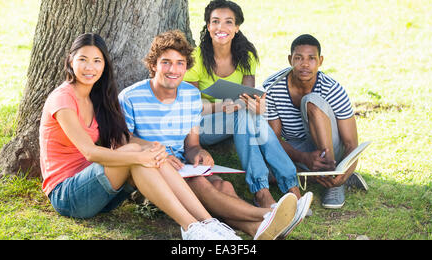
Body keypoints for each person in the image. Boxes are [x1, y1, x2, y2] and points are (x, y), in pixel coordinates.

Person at [39, 33, 241, 240]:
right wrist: (139, 155)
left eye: (97, 61)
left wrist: (154, 147)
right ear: (70, 60)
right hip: (68, 195)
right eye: (83, 59)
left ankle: (209, 224)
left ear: (104, 65)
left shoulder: (98, 96)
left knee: (145, 151)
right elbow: (90, 153)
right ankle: (191, 228)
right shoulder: (62, 98)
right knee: (136, 155)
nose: (90, 67)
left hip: (102, 191)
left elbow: (123, 137)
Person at [118, 30, 306, 240]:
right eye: (166, 62)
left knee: (223, 185)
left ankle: (257, 230)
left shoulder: (189, 95)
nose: (174, 69)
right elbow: (123, 141)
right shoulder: (130, 97)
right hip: (151, 171)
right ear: (153, 64)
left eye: (180, 63)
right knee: (202, 186)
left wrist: (199, 153)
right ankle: (269, 214)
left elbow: (192, 145)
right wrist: (158, 154)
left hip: (182, 166)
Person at [183, 0, 311, 219]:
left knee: (250, 115)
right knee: (243, 115)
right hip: (202, 125)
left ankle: (270, 190)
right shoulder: (196, 59)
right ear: (207, 25)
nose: (221, 28)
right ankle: (283, 188)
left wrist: (256, 106)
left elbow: (247, 98)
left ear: (236, 28)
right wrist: (221, 106)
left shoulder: (246, 56)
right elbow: (191, 107)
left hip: (238, 119)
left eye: (228, 22)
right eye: (215, 21)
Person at [263, 34, 368, 209]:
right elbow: (273, 139)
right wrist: (304, 157)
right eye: (298, 58)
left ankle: (333, 177)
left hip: (330, 148)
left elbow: (351, 144)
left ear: (320, 61)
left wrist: (341, 174)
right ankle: (326, 176)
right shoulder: (272, 87)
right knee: (265, 173)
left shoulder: (332, 88)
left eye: (311, 58)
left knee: (312, 101)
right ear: (290, 60)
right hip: (297, 151)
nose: (305, 64)